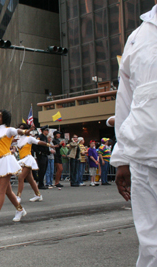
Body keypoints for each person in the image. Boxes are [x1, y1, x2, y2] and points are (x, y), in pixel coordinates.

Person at [112, 6, 157, 265]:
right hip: (142, 156)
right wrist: (122, 160)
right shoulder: (137, 37)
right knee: (150, 243)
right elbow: (125, 100)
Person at [15, 123, 51, 203]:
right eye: (19, 129)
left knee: (21, 177)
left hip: (28, 159)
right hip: (22, 160)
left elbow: (39, 142)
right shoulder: (18, 139)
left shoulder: (29, 138)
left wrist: (49, 144)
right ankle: (38, 195)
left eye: (22, 129)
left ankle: (18, 196)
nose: (20, 130)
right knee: (30, 179)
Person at [34, 125, 50, 190]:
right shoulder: (39, 137)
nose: (47, 132)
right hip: (41, 155)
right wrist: (38, 152)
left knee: (44, 170)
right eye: (46, 130)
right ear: (43, 131)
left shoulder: (45, 138)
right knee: (41, 170)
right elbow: (34, 145)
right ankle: (40, 184)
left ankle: (42, 183)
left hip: (45, 155)